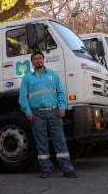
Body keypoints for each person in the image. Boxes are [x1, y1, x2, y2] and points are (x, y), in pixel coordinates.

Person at [18, 50, 77, 178]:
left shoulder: (53, 75)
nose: (38, 60)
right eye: (35, 58)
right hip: (37, 114)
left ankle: (67, 169)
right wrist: (27, 111)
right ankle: (46, 169)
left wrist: (62, 108)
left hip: (55, 112)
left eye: (40, 58)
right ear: (32, 62)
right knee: (41, 142)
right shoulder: (27, 78)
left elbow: (61, 93)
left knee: (60, 140)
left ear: (44, 60)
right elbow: (23, 97)